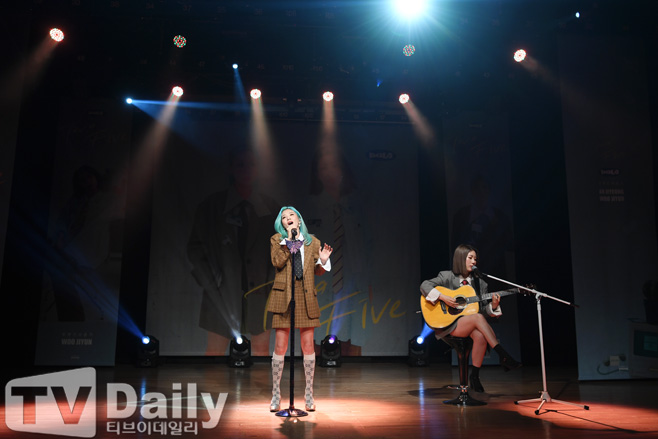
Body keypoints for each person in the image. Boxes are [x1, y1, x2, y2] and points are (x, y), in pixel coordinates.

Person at [187, 148, 279, 356]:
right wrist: (211, 280)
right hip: (221, 291)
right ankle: (213, 385)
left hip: (261, 293)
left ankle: (260, 385)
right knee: (215, 350)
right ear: (231, 168)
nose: (246, 170)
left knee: (261, 350)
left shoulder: (271, 207)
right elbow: (195, 247)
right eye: (240, 164)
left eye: (252, 164)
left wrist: (272, 282)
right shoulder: (212, 206)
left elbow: (283, 249)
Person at [420, 244, 521, 393]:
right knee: (477, 319)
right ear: (461, 258)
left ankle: (474, 376)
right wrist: (443, 297)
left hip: (469, 323)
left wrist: (492, 306)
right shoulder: (447, 276)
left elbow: (481, 312)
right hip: (449, 324)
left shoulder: (481, 284)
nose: (474, 261)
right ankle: (503, 355)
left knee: (480, 334)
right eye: (470, 258)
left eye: (475, 259)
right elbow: (425, 285)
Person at [268, 206, 333, 412]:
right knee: (280, 347)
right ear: (282, 223)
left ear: (299, 219)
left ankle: (309, 393)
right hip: (284, 296)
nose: (288, 218)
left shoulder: (312, 242)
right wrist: (289, 241)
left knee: (307, 346)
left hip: (305, 296)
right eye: (284, 217)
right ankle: (276, 394)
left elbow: (317, 271)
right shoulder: (277, 240)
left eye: (291, 215)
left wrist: (323, 261)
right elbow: (277, 262)